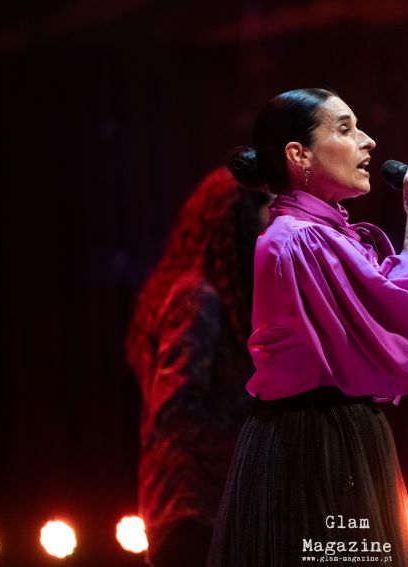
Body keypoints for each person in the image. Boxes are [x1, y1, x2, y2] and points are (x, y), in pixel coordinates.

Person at [207, 88, 408, 567]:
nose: (368, 142)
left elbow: (403, 326)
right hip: (314, 444)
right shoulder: (296, 238)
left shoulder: (330, 236)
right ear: (299, 154)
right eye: (346, 129)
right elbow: (397, 333)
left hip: (341, 433)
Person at [126, 166, 270, 567]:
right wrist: (254, 449)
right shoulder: (197, 299)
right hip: (190, 510)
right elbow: (173, 411)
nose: (275, 221)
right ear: (237, 219)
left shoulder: (220, 297)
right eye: (266, 207)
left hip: (207, 507)